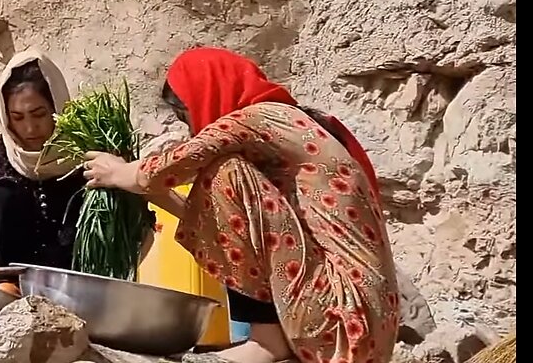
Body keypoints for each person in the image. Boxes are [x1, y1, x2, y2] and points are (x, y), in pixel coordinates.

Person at [83, 47, 399, 363]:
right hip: (361, 327)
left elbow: (179, 161)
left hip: (341, 323)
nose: (192, 129)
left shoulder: (260, 117)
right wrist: (161, 197)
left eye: (186, 116)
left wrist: (118, 172)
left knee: (225, 173)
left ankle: (265, 341)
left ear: (207, 91)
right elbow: (249, 235)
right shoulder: (292, 133)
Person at [0, 49, 155, 271]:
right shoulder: (2, 153)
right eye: (17, 117)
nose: (30, 128)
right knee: (1, 195)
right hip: (9, 275)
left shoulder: (90, 150)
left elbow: (134, 216)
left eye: (39, 114)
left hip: (71, 275)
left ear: (57, 106)